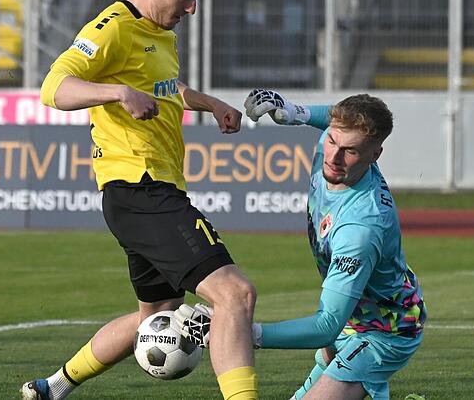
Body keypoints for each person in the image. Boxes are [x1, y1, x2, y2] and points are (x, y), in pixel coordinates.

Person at [20, 0, 258, 399]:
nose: (192, 9)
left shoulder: (159, 33)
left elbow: (167, 89)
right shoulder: (112, 27)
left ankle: (52, 387)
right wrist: (116, 92)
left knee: (154, 318)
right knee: (235, 295)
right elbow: (53, 86)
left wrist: (211, 103)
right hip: (140, 187)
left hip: (148, 190)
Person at [175, 91, 427, 400]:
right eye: (332, 141)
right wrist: (294, 112)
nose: (333, 158)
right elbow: (332, 120)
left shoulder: (361, 228)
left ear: (375, 155)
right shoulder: (332, 145)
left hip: (385, 331)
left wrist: (242, 332)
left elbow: (325, 327)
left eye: (349, 151)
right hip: (352, 319)